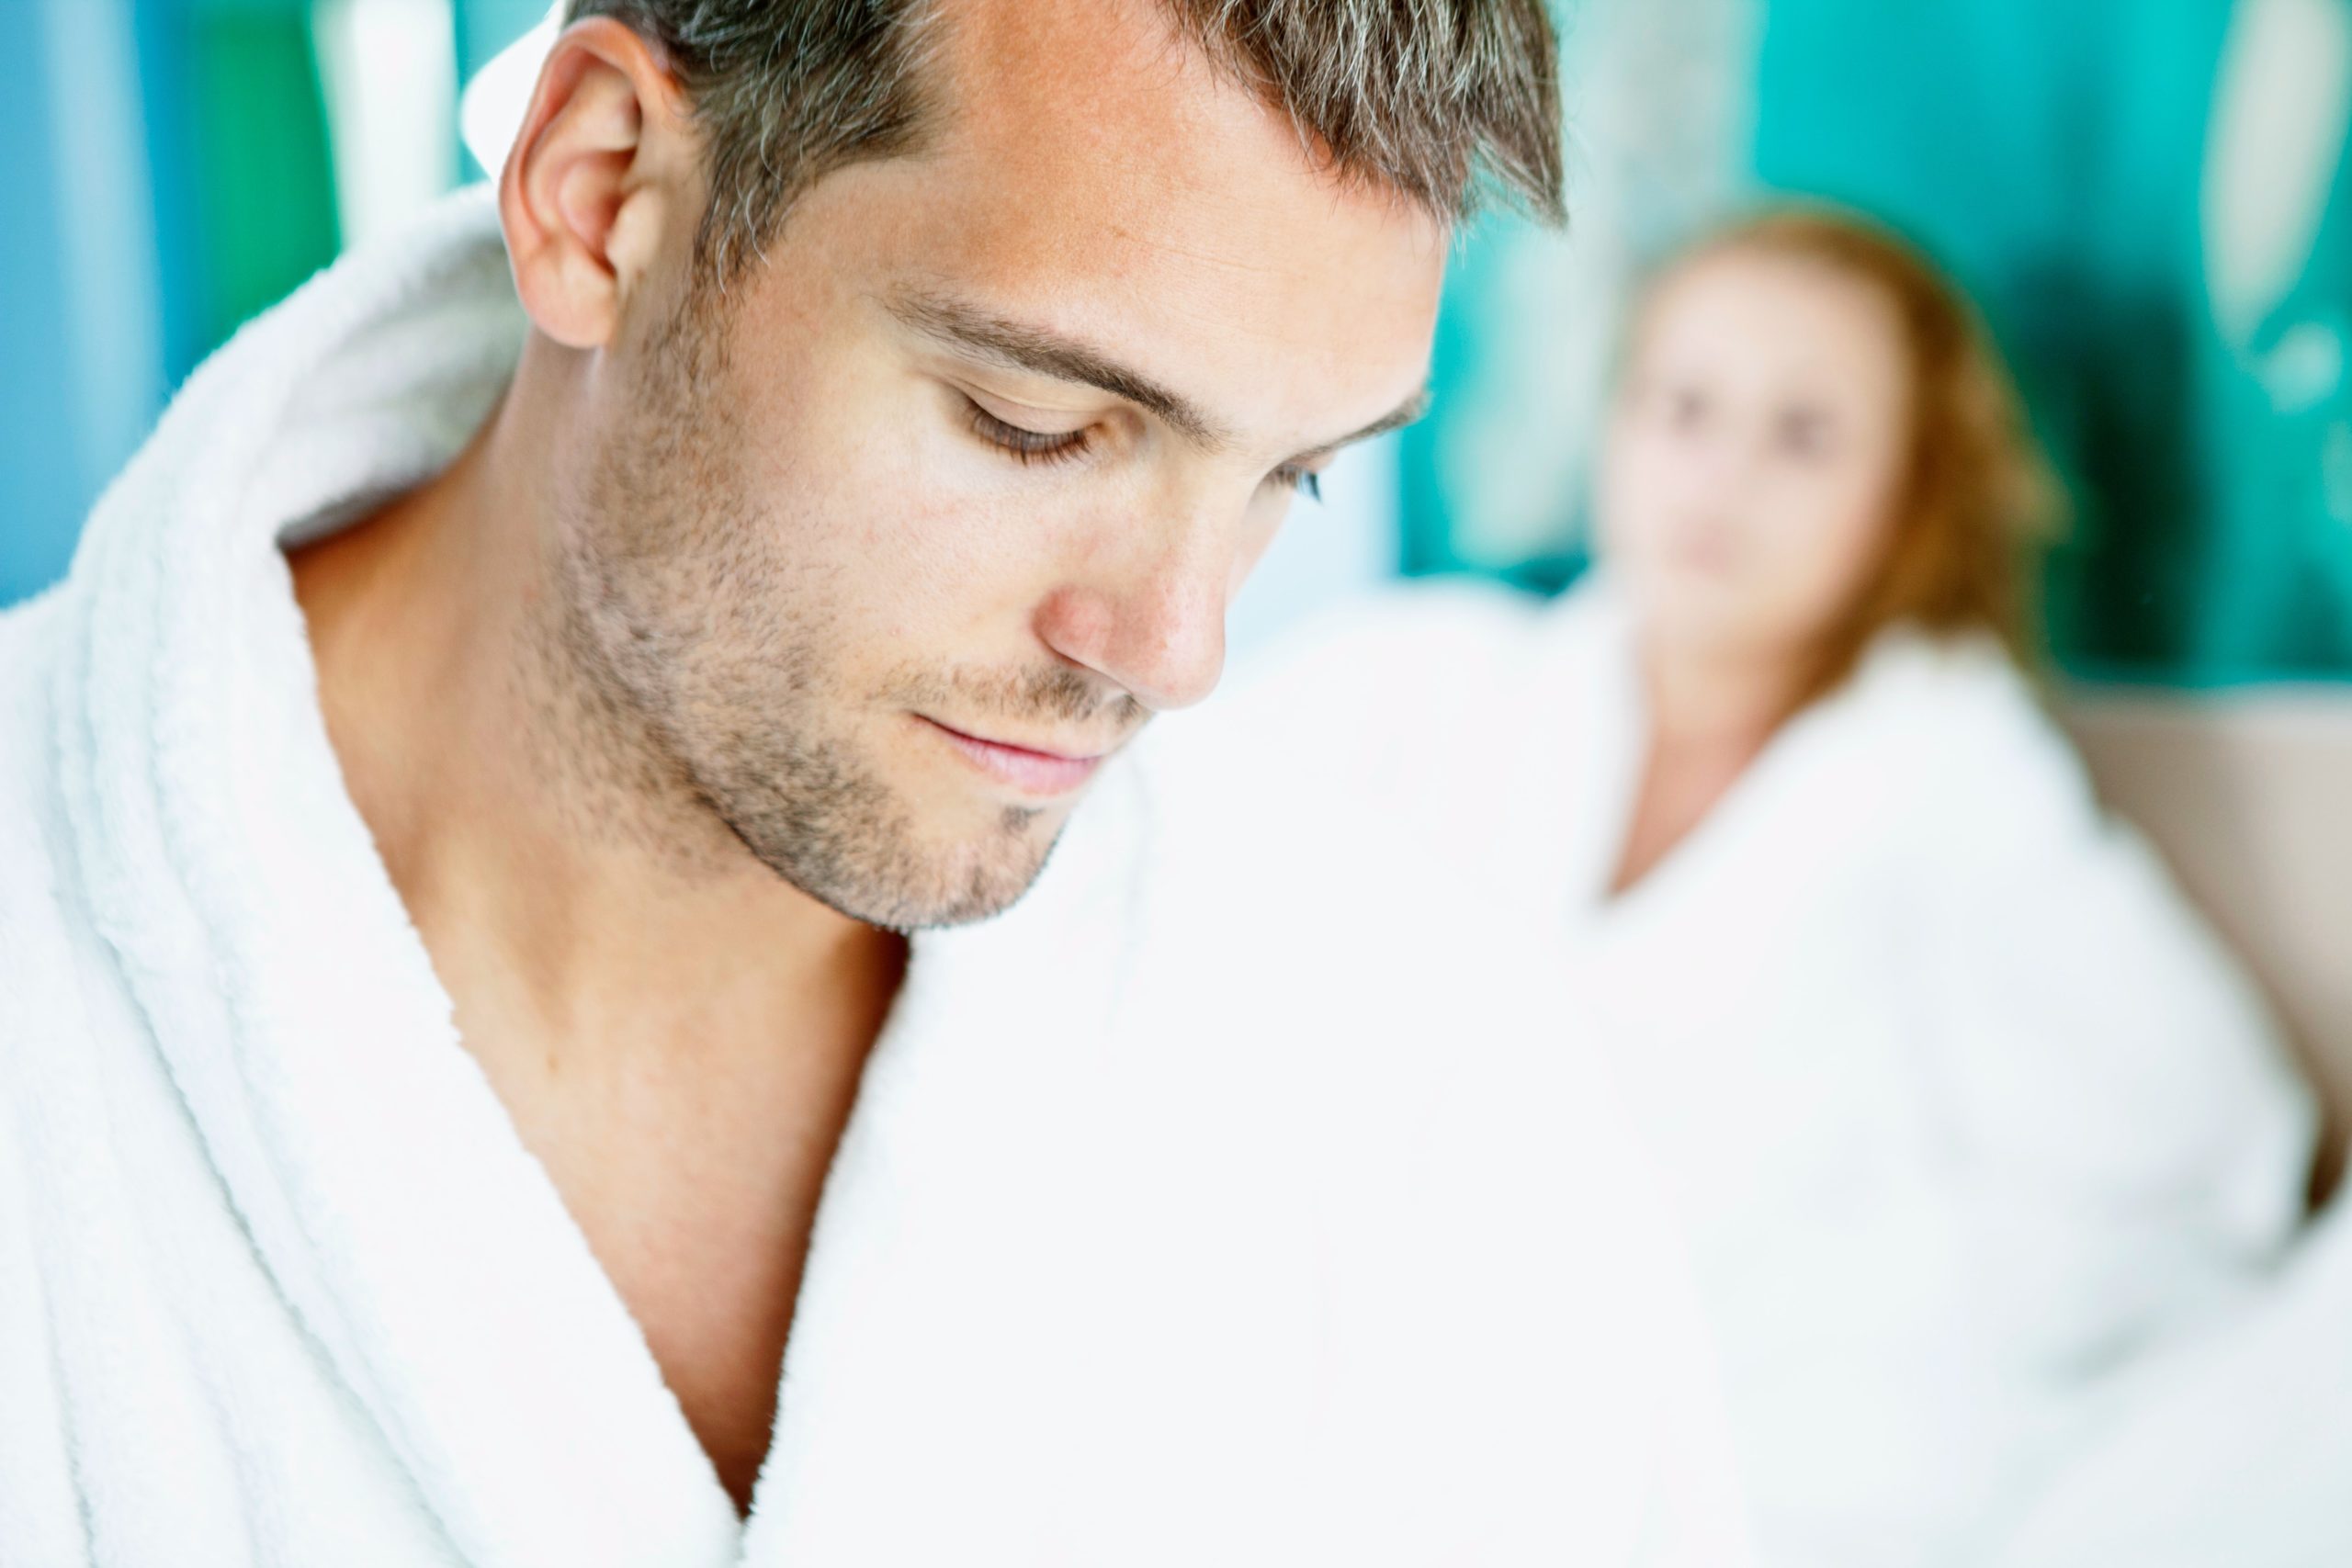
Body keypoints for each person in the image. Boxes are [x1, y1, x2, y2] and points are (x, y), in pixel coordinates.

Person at [0, 3, 1757, 1563]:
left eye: (1287, 474)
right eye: (1033, 423)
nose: (1172, 648)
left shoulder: (1415, 1096)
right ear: (606, 192)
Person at [1165, 207, 2320, 1568]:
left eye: (1806, 435)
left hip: (1765, 1428)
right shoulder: (1424, 685)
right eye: (1684, 407)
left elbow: (2221, 1150)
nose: (1720, 477)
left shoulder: (1948, 782)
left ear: (1905, 494)